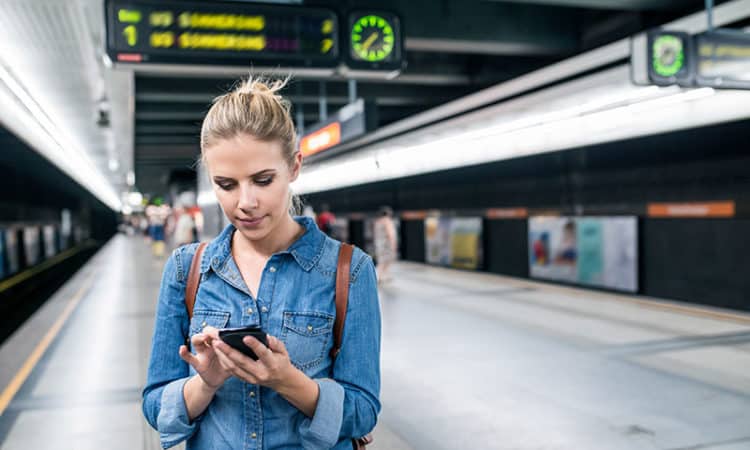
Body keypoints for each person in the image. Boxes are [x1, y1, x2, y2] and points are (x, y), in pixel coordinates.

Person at [142, 77, 381, 450]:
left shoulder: (349, 271)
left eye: (263, 180)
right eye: (226, 184)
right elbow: (155, 406)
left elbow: (363, 410)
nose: (245, 202)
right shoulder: (185, 271)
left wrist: (288, 381)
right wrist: (205, 382)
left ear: (294, 167)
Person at [373, 206, 397, 283]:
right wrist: (393, 245)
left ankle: (381, 276)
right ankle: (381, 275)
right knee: (387, 260)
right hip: (386, 244)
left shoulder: (377, 221)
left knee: (381, 260)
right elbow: (391, 234)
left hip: (379, 244)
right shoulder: (387, 221)